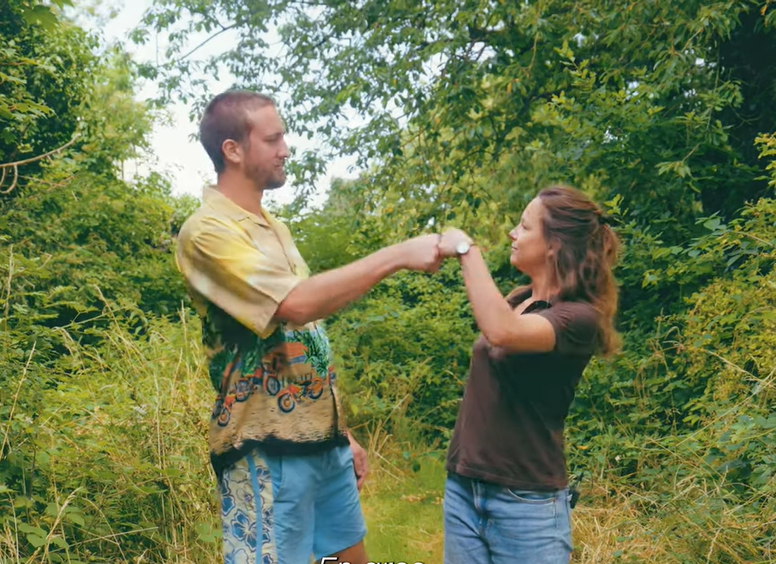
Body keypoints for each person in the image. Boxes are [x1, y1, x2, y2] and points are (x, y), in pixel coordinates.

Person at [175, 90, 442, 564]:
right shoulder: (207, 232)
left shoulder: (273, 226)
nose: (286, 148)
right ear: (232, 150)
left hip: (321, 443)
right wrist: (400, 255)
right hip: (263, 449)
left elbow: (295, 341)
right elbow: (295, 306)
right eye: (273, 138)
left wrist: (341, 431)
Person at [437, 185, 620, 564]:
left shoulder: (578, 318)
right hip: (464, 489)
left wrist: (464, 249)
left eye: (523, 227)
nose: (513, 234)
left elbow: (500, 331)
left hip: (526, 505)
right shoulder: (519, 299)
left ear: (554, 244)